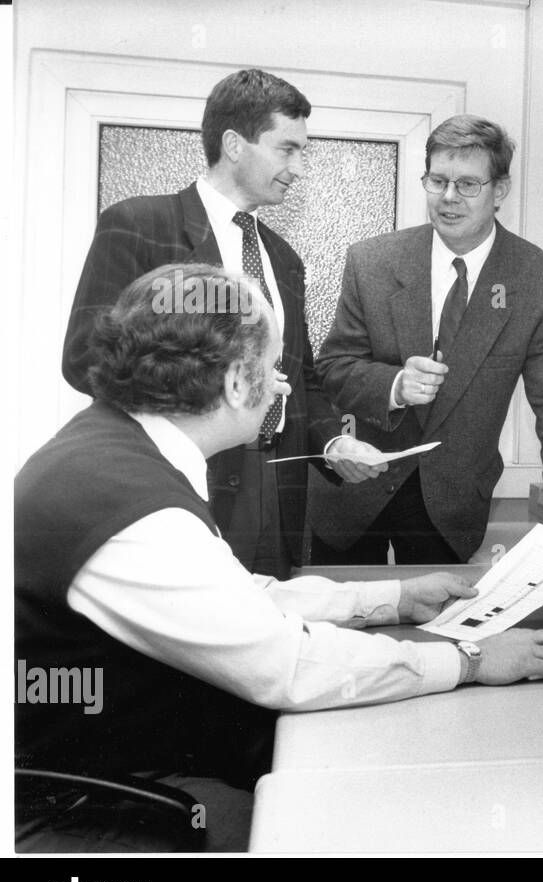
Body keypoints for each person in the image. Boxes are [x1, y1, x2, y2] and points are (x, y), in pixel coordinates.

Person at [16, 264, 543, 852]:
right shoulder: (134, 509)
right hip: (101, 801)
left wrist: (391, 598)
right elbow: (285, 664)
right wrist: (469, 661)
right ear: (238, 384)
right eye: (272, 370)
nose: (283, 388)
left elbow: (240, 599)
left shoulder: (114, 449)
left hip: (126, 757)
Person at [60, 68, 388, 580]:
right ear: (234, 144)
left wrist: (331, 443)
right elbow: (86, 359)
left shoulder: (284, 259)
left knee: (270, 633)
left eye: (303, 152)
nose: (299, 168)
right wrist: (229, 387)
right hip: (184, 481)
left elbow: (300, 378)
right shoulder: (140, 226)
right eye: (287, 149)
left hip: (279, 491)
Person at [309, 114, 543, 564]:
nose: (448, 198)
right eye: (437, 181)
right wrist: (395, 386)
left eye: (467, 184)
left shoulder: (542, 286)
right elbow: (332, 369)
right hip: (352, 493)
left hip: (448, 510)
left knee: (437, 631)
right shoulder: (372, 262)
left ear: (499, 191)